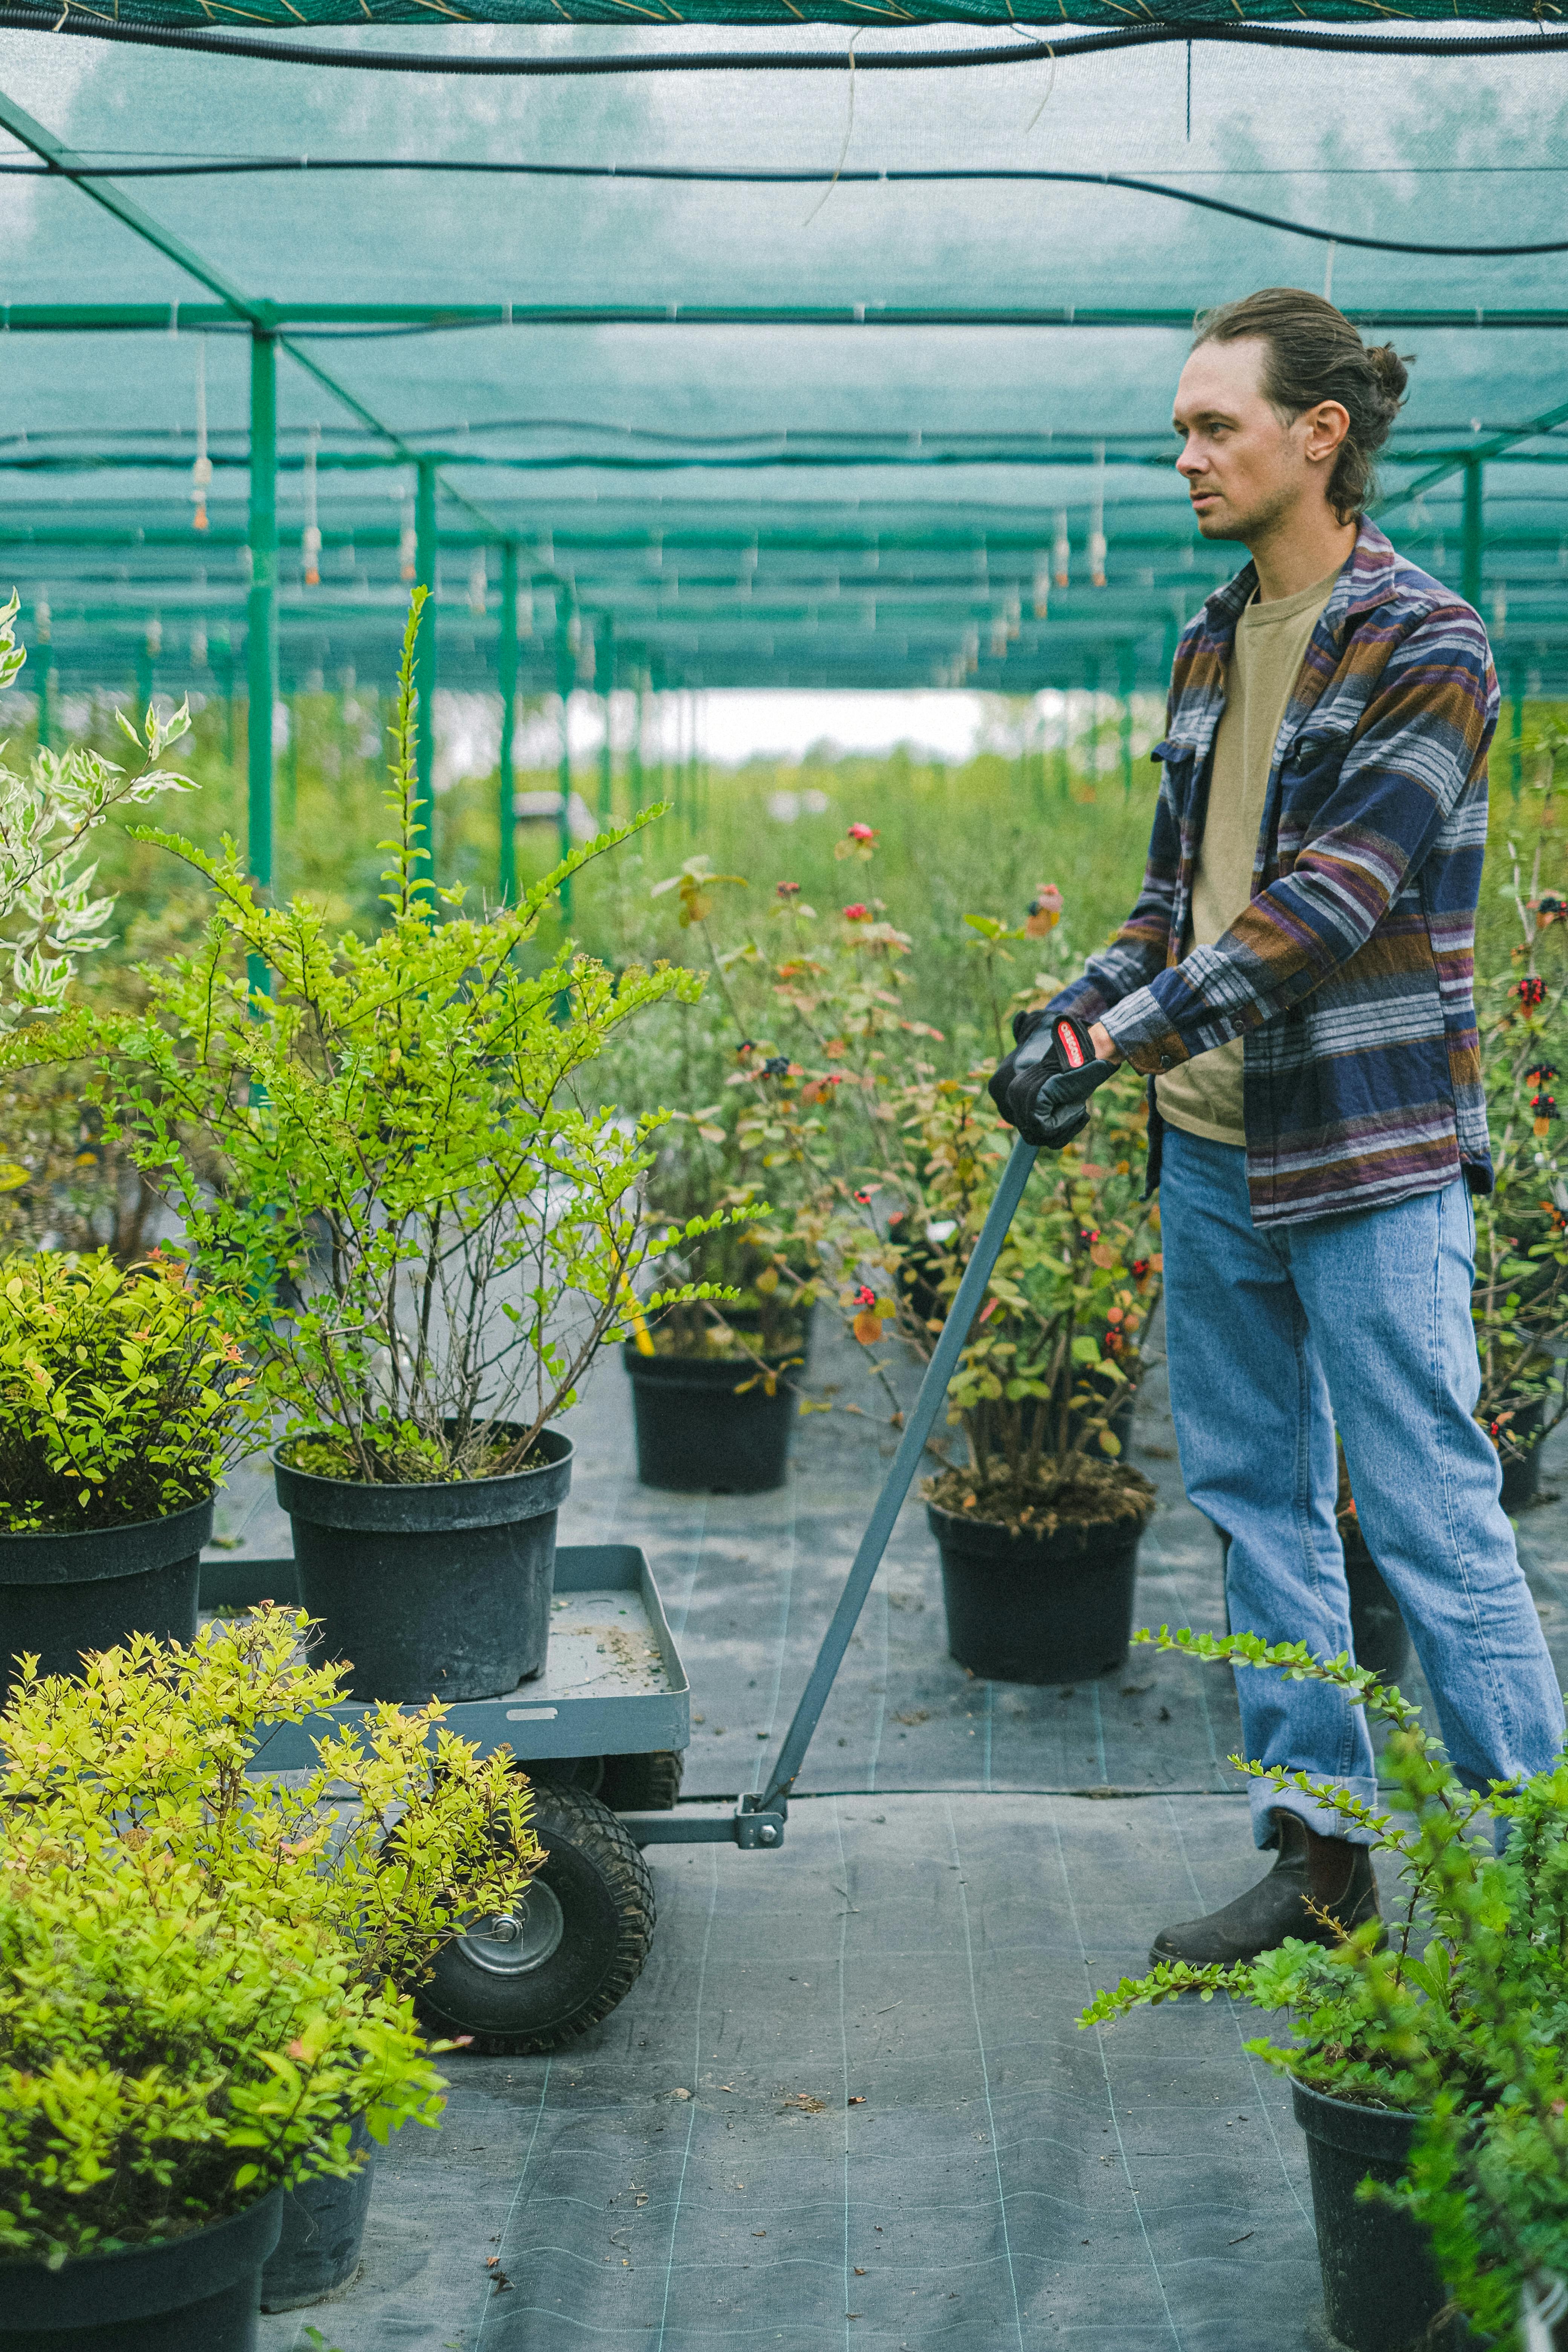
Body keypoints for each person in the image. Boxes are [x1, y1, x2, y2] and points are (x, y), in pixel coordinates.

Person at [989, 286, 1565, 1966]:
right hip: (1212, 1150)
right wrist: (1067, 1016)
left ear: (1316, 437)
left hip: (1364, 1156)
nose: (1181, 455)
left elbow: (1326, 905)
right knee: (1253, 1507)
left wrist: (1122, 1028)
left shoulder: (1424, 639)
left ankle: (1531, 1888)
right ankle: (1319, 1858)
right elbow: (1176, 904)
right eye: (1178, 427)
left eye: (1209, 426)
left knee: (1431, 1511)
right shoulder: (1203, 638)